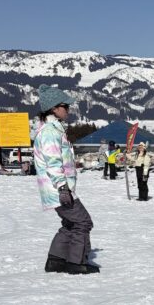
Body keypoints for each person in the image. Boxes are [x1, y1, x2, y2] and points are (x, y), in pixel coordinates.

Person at [32, 84, 98, 274]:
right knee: (83, 222)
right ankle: (76, 262)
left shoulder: (54, 129)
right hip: (58, 189)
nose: (68, 109)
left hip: (58, 188)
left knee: (71, 223)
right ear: (54, 108)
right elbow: (53, 162)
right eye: (65, 106)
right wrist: (62, 187)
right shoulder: (50, 132)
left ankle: (57, 260)